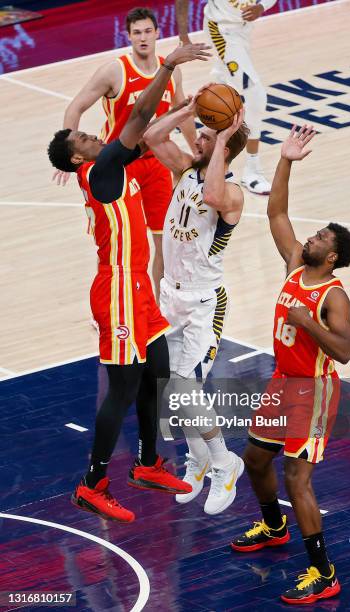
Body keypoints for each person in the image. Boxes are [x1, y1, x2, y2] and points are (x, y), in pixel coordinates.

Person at [47, 42, 210, 523]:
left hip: (138, 284)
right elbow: (139, 112)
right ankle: (92, 483)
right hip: (116, 288)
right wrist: (168, 66)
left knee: (156, 371)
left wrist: (186, 108)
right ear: (79, 161)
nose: (92, 138)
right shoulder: (101, 171)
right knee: (122, 388)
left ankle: (146, 462)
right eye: (83, 141)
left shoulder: (113, 164)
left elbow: (149, 130)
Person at [230, 125, 350, 603]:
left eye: (321, 237)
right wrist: (284, 161)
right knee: (255, 459)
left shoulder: (333, 295)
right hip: (283, 382)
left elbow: (343, 352)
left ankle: (324, 573)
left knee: (296, 477)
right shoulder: (293, 266)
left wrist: (308, 324)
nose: (311, 236)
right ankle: (272, 524)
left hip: (314, 388)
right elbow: (277, 211)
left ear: (334, 256)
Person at [143, 92, 249, 514]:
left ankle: (225, 462)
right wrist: (189, 110)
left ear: (222, 145)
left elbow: (211, 192)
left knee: (185, 385)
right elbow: (152, 135)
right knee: (172, 391)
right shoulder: (185, 169)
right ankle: (200, 460)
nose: (196, 138)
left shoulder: (233, 194)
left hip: (205, 302)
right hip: (171, 293)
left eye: (203, 135)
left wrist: (222, 137)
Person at [54, 7, 198, 298]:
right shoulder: (115, 70)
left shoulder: (173, 72)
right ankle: (108, 297)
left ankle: (158, 303)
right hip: (119, 164)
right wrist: (68, 155)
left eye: (148, 31)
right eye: (137, 33)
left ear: (157, 33)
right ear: (128, 36)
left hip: (157, 163)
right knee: (115, 243)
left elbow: (182, 113)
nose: (143, 38)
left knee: (162, 241)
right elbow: (75, 107)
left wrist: (195, 153)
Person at [175, 0, 277, 195]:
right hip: (221, 29)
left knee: (222, 95)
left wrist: (262, 6)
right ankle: (252, 171)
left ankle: (203, 152)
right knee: (255, 96)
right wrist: (183, 35)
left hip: (243, 31)